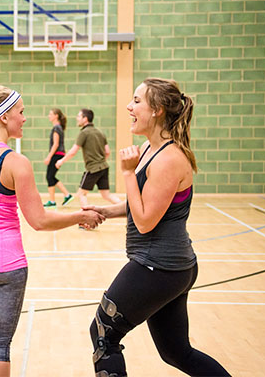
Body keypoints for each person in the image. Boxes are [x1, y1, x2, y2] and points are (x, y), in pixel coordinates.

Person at [0, 85, 104, 377]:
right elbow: (39, 220)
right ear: (4, 117)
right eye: (21, 112)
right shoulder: (15, 162)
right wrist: (80, 215)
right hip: (4, 265)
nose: (24, 118)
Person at [85, 78, 230, 377]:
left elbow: (145, 221)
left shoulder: (169, 159)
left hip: (159, 267)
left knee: (103, 335)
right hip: (169, 267)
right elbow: (145, 203)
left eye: (137, 101)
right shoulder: (150, 149)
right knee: (176, 352)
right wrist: (106, 211)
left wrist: (127, 173)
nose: (129, 106)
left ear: (158, 110)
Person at [55, 108, 120, 207]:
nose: (77, 118)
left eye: (79, 116)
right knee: (106, 195)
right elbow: (107, 152)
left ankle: (86, 215)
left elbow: (73, 151)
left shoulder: (84, 133)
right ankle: (126, 209)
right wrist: (100, 161)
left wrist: (61, 161)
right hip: (104, 167)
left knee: (81, 194)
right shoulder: (100, 132)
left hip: (93, 169)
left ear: (85, 118)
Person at [43, 108, 73, 208]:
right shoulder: (59, 127)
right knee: (51, 177)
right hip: (59, 154)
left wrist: (49, 157)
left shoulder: (56, 128)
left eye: (50, 114)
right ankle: (67, 195)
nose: (49, 116)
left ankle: (53, 201)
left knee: (49, 177)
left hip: (56, 154)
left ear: (56, 116)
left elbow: (55, 144)